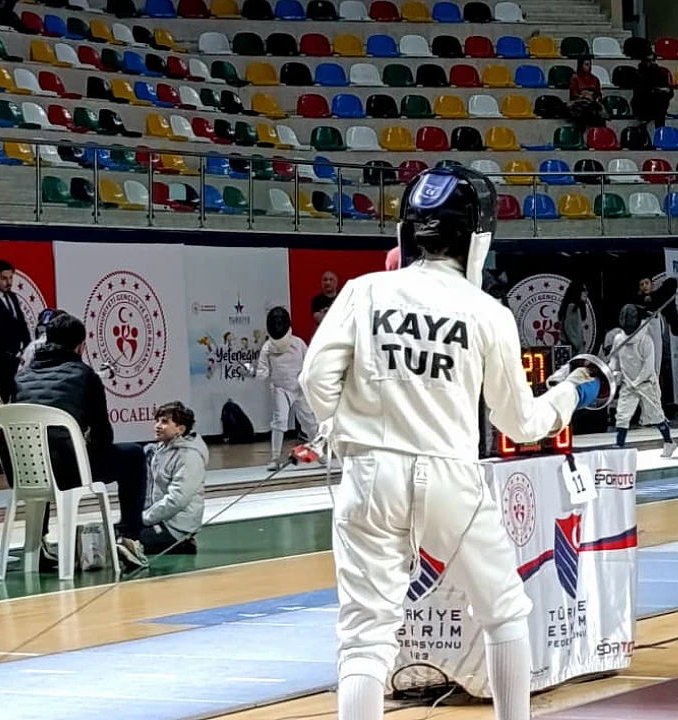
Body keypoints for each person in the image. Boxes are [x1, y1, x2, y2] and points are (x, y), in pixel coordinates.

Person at [297, 166, 606, 720]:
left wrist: (345, 429)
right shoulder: (487, 311)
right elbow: (521, 423)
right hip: (451, 480)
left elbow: (314, 380)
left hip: (370, 477)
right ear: (476, 239)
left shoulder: (364, 291)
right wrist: (573, 392)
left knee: (365, 637)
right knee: (504, 612)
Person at [11, 313, 151, 568]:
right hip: (70, 473)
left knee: (41, 455)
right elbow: (103, 436)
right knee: (134, 455)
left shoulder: (21, 377)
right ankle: (129, 538)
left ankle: (37, 543)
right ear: (81, 346)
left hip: (25, 474)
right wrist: (84, 447)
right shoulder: (85, 375)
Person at [254, 307, 318, 470]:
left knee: (309, 422)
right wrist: (253, 372)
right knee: (279, 422)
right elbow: (263, 373)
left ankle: (320, 452)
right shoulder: (267, 348)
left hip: (299, 388)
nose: (277, 326)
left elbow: (309, 365)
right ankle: (275, 458)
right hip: (280, 389)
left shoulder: (298, 343)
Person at [609, 304, 676, 456]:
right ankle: (619, 444)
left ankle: (669, 442)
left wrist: (637, 381)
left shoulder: (646, 341)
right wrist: (614, 371)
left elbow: (648, 366)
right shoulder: (619, 339)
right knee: (622, 415)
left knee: (656, 415)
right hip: (628, 383)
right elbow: (614, 357)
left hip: (646, 384)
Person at [141, 401, 206, 555]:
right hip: (159, 519)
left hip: (176, 527)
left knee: (123, 541)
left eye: (164, 422)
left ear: (180, 429)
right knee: (117, 532)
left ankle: (183, 544)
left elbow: (177, 499)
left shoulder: (189, 456)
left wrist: (145, 518)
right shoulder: (161, 449)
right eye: (157, 421)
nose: (158, 426)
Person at [0, 259, 31, 403]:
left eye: (10, 278)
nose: (8, 282)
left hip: (18, 358)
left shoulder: (13, 297)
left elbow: (21, 324)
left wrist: (28, 347)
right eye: (3, 278)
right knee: (10, 399)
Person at [631, 52, 673, 131]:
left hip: (658, 102)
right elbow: (640, 91)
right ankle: (657, 129)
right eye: (649, 60)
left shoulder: (660, 73)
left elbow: (670, 92)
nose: (651, 62)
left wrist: (665, 90)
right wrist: (656, 90)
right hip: (642, 103)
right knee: (655, 101)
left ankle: (657, 129)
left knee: (662, 98)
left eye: (653, 60)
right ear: (643, 61)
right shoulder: (638, 74)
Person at [567, 57, 606, 131]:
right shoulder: (575, 78)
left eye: (590, 64)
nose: (589, 67)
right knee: (584, 112)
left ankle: (599, 134)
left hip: (592, 102)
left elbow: (598, 94)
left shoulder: (595, 79)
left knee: (599, 112)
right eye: (586, 64)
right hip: (579, 103)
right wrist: (584, 96)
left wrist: (595, 97)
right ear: (581, 66)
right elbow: (574, 94)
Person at [557, 281, 590, 354]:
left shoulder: (570, 307)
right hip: (573, 351)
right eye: (584, 290)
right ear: (577, 291)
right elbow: (568, 328)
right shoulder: (572, 307)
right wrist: (577, 346)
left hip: (570, 350)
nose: (586, 293)